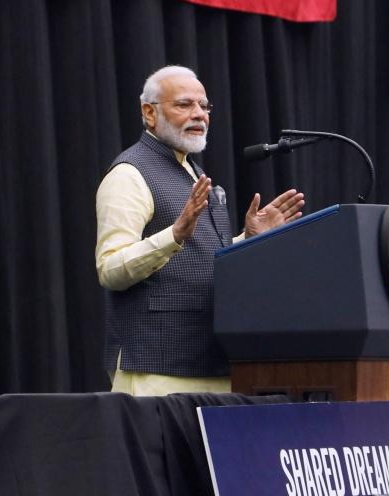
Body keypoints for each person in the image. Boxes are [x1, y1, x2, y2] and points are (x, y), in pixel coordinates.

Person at [95, 65, 305, 396]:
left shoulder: (192, 171)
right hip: (155, 370)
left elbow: (202, 260)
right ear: (149, 113)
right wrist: (174, 235)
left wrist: (248, 240)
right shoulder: (129, 174)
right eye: (184, 105)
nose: (199, 115)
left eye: (204, 106)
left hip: (213, 362)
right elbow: (109, 269)